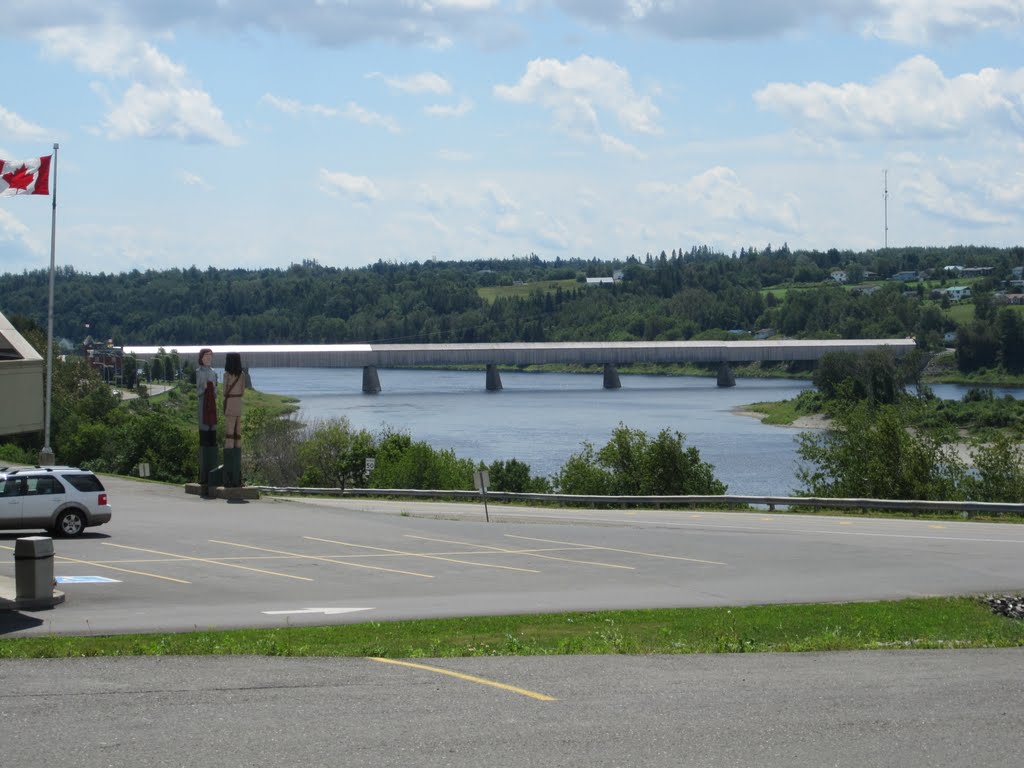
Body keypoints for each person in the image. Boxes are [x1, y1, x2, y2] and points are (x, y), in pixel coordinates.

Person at [195, 348, 218, 490]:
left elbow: (216, 392)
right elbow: (197, 391)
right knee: (204, 435)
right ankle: (203, 473)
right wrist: (204, 388)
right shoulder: (198, 373)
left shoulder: (214, 373)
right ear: (201, 358)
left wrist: (213, 391)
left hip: (212, 408)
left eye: (211, 356)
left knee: (212, 434)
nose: (209, 358)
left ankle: (213, 469)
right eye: (207, 355)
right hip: (203, 407)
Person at [222, 352, 245, 487]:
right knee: (238, 434)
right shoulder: (241, 375)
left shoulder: (226, 375)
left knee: (229, 434)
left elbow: (224, 391)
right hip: (238, 403)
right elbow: (242, 391)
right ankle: (237, 469)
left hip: (230, 403)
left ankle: (229, 468)